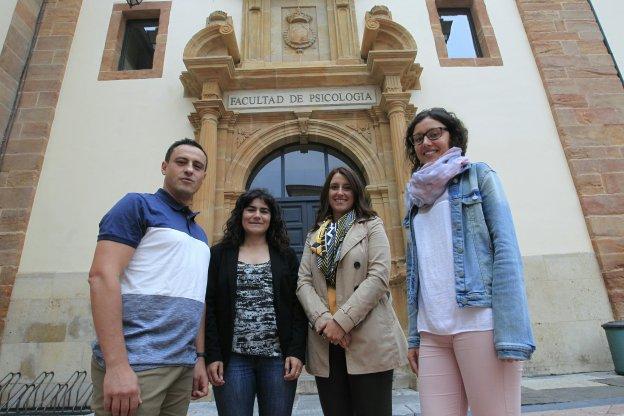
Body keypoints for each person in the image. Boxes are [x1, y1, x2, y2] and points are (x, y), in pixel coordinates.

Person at [403, 108, 535, 416]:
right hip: (432, 330)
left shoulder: (479, 175)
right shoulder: (414, 197)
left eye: (434, 134)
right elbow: (417, 271)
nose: (426, 143)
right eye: (418, 138)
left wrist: (511, 332)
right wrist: (414, 334)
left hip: (479, 324)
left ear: (453, 136)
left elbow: (505, 248)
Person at [89, 138, 210, 416]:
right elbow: (101, 277)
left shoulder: (200, 234)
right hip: (138, 365)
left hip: (181, 365)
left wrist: (198, 358)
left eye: (197, 166)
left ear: (204, 176)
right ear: (165, 166)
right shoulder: (137, 205)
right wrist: (118, 366)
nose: (189, 169)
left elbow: (196, 299)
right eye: (182, 162)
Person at [297, 166, 407, 416]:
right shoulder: (315, 234)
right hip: (326, 340)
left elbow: (379, 277)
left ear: (356, 192)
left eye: (347, 187)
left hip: (366, 335)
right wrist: (326, 322)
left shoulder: (372, 226)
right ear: (326, 193)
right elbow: (302, 282)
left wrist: (342, 323)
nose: (340, 192)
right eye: (334, 187)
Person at [204, 188, 307, 416]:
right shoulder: (219, 254)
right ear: (240, 214)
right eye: (250, 209)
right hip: (233, 361)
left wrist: (297, 352)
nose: (257, 215)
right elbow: (208, 307)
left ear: (272, 218)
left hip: (277, 360)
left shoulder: (285, 255)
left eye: (264, 211)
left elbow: (298, 307)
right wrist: (213, 355)